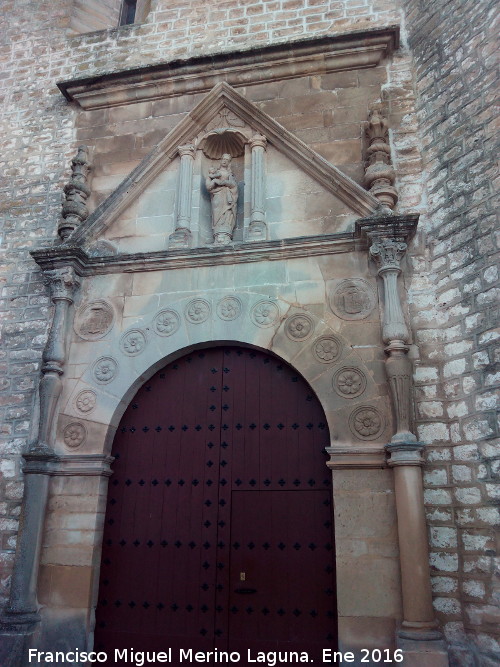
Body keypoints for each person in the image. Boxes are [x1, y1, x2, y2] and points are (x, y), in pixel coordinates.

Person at [206, 153, 238, 245]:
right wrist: (213, 180)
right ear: (220, 160)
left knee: (227, 213)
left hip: (228, 195)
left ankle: (225, 232)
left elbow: (233, 184)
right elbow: (209, 186)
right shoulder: (215, 173)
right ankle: (217, 232)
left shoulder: (230, 174)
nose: (224, 161)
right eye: (223, 159)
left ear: (229, 163)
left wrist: (221, 182)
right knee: (217, 212)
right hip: (217, 195)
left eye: (227, 160)